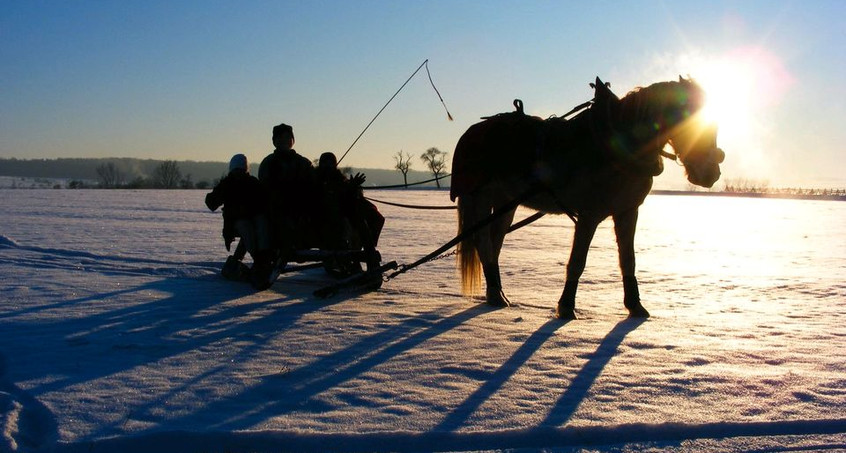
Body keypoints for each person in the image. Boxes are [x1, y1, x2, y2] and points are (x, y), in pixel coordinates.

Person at [205, 153, 272, 284]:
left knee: (262, 224)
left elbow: (265, 200)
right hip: (236, 221)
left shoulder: (252, 183)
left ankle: (264, 259)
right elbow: (212, 202)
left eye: (240, 169)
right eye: (236, 169)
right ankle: (259, 260)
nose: (238, 173)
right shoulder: (227, 184)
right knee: (246, 229)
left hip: (253, 217)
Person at [314, 151, 384, 271]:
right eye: (325, 163)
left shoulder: (340, 179)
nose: (328, 166)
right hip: (326, 218)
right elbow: (327, 200)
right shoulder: (315, 179)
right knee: (346, 226)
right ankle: (348, 259)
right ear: (321, 164)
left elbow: (350, 199)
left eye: (331, 163)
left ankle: (368, 251)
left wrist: (354, 188)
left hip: (347, 214)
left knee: (375, 217)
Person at [258, 123, 319, 253]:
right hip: (277, 208)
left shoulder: (303, 162)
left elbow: (314, 183)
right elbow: (266, 188)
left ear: (293, 141)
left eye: (287, 138)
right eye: (280, 138)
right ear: (274, 141)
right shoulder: (268, 163)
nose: (284, 141)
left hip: (303, 207)